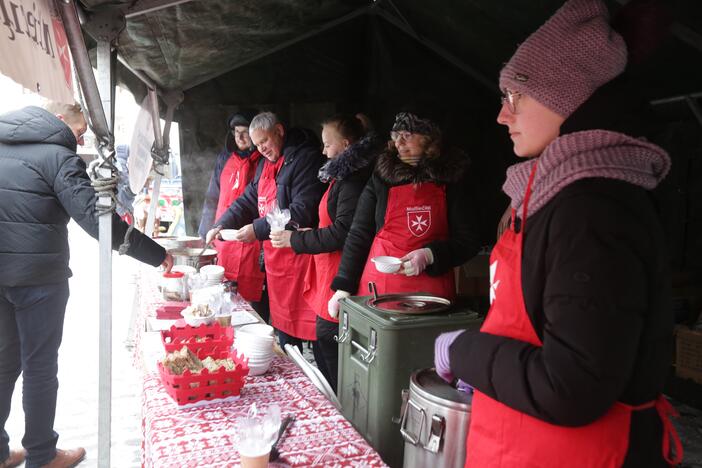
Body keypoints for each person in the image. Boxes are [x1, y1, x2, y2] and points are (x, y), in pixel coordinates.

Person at [433, 1, 681, 466]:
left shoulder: (593, 207)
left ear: (568, 97)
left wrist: (467, 351)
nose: (502, 117)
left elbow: (572, 384)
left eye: (515, 97)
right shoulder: (555, 190)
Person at [0, 103, 173, 468]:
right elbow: (98, 222)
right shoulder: (58, 156)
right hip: (39, 279)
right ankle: (42, 455)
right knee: (39, 366)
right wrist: (157, 254)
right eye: (79, 133)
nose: (79, 141)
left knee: (4, 361)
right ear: (60, 122)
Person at [328, 108, 480, 315]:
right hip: (380, 288)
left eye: (407, 136)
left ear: (429, 139)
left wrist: (431, 255)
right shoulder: (381, 178)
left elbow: (469, 240)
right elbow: (359, 232)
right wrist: (343, 286)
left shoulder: (451, 180)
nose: (399, 143)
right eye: (395, 136)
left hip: (433, 295)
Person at [269, 114, 381, 391]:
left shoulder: (353, 181)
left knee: (331, 345)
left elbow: (343, 232)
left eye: (327, 145)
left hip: (342, 276)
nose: (323, 151)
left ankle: (342, 410)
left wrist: (295, 241)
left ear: (344, 145)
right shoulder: (340, 177)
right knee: (324, 343)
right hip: (326, 274)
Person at [206, 112, 325, 356]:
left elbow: (301, 211)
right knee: (283, 334)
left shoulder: (305, 159)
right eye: (258, 145)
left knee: (310, 333)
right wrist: (220, 224)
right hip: (275, 262)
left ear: (279, 131)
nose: (262, 149)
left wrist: (257, 229)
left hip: (300, 261)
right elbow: (249, 199)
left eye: (265, 142)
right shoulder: (265, 163)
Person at [198, 110, 268, 320]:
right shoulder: (224, 159)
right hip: (224, 240)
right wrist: (204, 232)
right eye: (236, 132)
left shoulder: (263, 161)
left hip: (252, 241)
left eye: (245, 132)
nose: (240, 137)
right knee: (224, 299)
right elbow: (212, 196)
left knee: (253, 307)